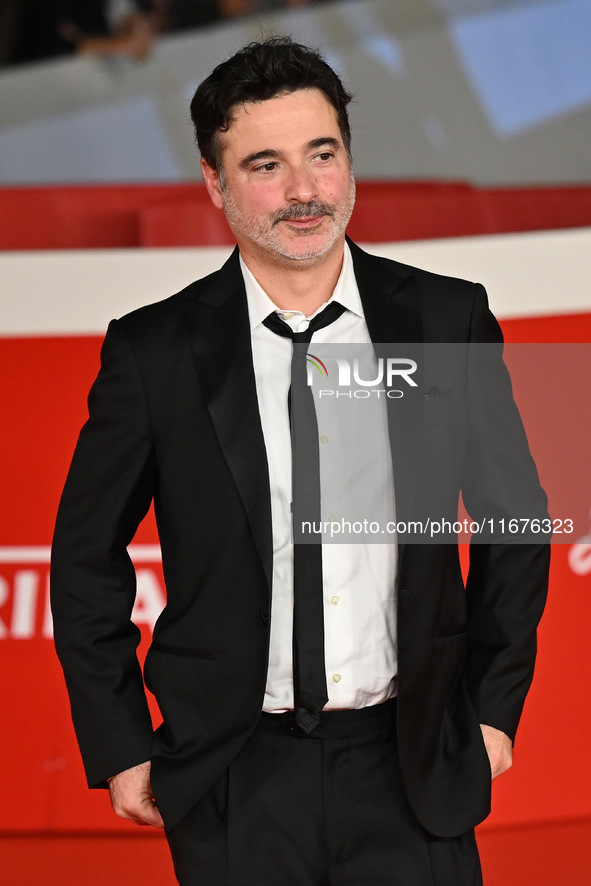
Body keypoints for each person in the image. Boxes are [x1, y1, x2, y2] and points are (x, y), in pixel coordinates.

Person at [51, 36, 550, 886]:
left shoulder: (445, 317)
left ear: (348, 157)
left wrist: (493, 712)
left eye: (321, 155)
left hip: (412, 762)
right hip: (233, 774)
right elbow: (83, 554)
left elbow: (518, 521)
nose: (303, 192)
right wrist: (121, 743)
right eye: (265, 165)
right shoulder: (154, 351)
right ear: (215, 182)